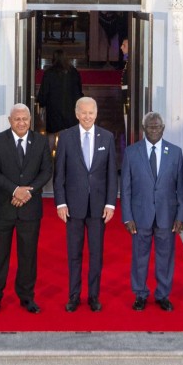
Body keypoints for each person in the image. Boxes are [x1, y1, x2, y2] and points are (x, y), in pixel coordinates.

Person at [0, 103, 52, 316]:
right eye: (17, 119)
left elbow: (46, 171)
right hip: (2, 207)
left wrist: (27, 192)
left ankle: (26, 296)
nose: (21, 123)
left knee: (28, 255)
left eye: (25, 119)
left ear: (30, 120)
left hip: (30, 209)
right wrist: (15, 191)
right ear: (10, 121)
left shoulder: (41, 142)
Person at [54, 96, 118, 312]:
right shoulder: (65, 137)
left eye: (91, 113)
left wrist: (111, 204)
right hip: (72, 206)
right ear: (77, 114)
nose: (88, 116)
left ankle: (93, 296)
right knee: (74, 253)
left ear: (96, 114)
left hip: (99, 208)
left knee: (96, 254)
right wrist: (60, 202)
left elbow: (112, 174)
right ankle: (73, 296)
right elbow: (59, 174)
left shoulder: (107, 137)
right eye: (84, 112)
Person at [120, 111, 183, 312]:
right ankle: (140, 294)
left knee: (165, 257)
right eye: (150, 126)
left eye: (157, 126)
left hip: (167, 215)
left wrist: (181, 215)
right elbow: (125, 188)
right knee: (139, 257)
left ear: (163, 128)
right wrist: (127, 217)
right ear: (143, 129)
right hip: (140, 216)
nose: (154, 130)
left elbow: (181, 187)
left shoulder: (175, 152)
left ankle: (163, 295)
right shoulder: (132, 152)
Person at [37, 49, 83, 139]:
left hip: (53, 109)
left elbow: (44, 91)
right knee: (70, 135)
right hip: (70, 108)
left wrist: (41, 103)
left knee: (51, 134)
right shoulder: (74, 72)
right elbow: (79, 90)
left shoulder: (49, 73)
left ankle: (48, 153)